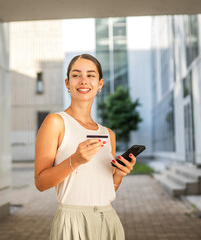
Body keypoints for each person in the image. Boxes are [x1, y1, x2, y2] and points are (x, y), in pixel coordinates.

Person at [34, 54, 136, 240]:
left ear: (100, 84)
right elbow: (41, 183)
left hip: (108, 221)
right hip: (71, 223)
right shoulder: (56, 122)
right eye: (76, 75)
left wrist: (119, 174)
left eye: (91, 75)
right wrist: (75, 160)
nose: (83, 81)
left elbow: (107, 189)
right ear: (67, 83)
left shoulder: (108, 134)